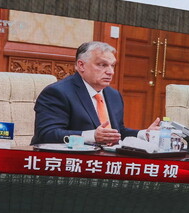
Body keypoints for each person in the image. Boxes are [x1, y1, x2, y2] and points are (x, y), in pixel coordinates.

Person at [31, 41, 160, 145]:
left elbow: (117, 132)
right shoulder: (57, 92)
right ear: (81, 65)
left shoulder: (114, 95)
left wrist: (143, 134)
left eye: (112, 65)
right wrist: (92, 136)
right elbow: (47, 134)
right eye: (102, 65)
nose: (110, 72)